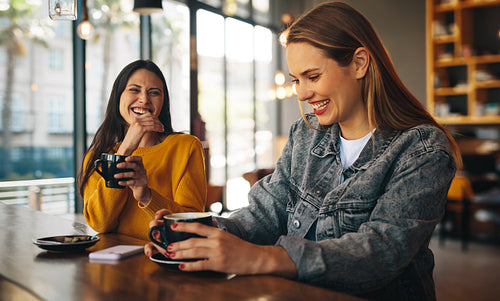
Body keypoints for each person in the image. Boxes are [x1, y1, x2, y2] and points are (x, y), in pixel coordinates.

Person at [145, 2, 461, 300]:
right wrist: (198, 233)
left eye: (313, 76)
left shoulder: (421, 148)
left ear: (359, 63)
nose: (303, 93)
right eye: (297, 79)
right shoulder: (306, 133)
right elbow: (263, 214)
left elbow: (380, 252)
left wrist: (261, 258)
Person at [78, 59, 206, 241]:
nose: (144, 99)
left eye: (154, 93)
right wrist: (124, 151)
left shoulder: (186, 146)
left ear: (162, 103)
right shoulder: (98, 157)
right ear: (118, 97)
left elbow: (193, 224)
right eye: (134, 90)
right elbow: (100, 224)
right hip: (112, 262)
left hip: (163, 259)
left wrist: (147, 196)